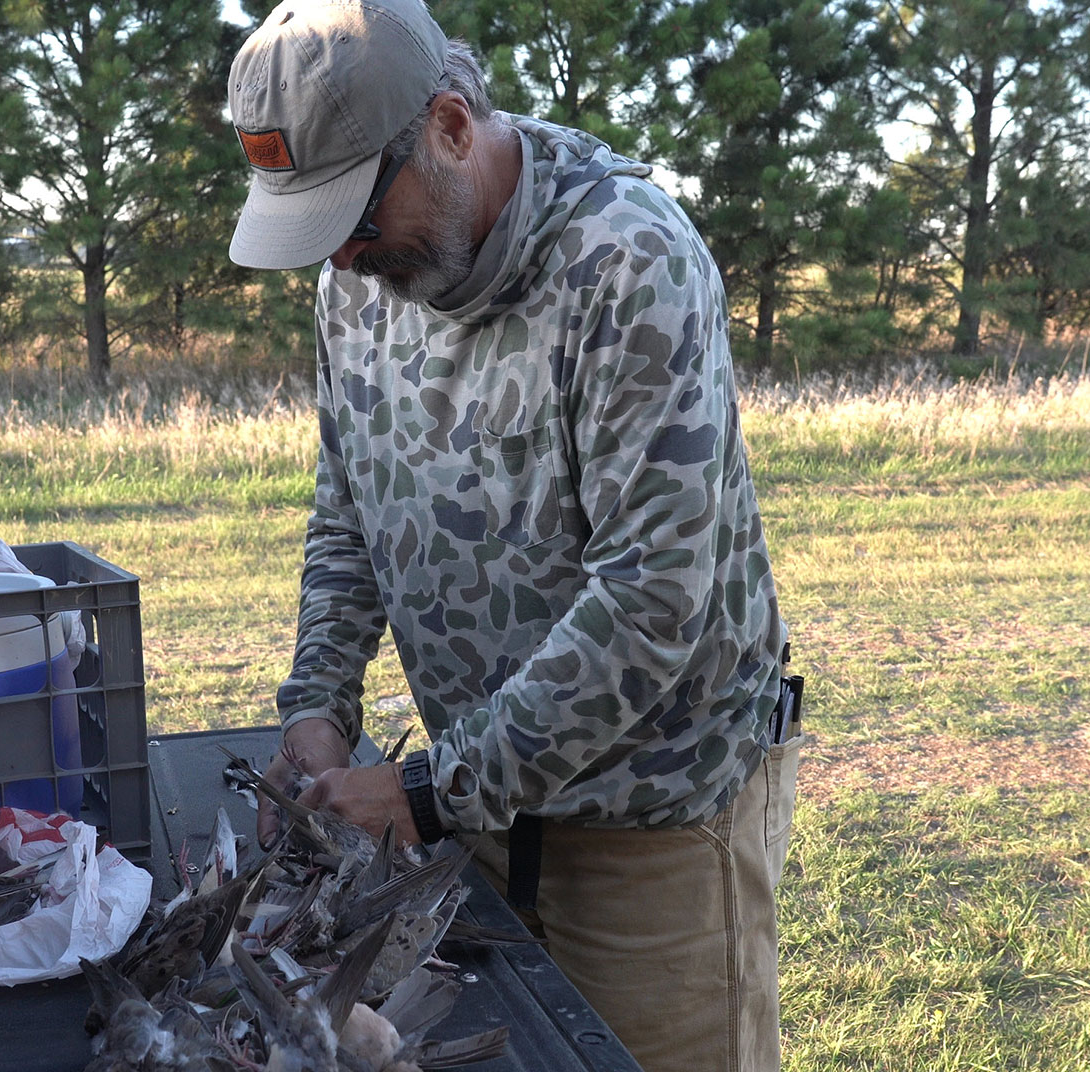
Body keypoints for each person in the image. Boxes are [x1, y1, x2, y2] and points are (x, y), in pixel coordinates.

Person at [226, 2, 804, 1070]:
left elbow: (652, 595)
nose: (346, 263)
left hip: (651, 830)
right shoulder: (355, 286)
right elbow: (348, 502)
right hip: (468, 817)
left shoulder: (628, 262)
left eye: (356, 218)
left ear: (449, 125)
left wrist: (432, 790)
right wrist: (319, 700)